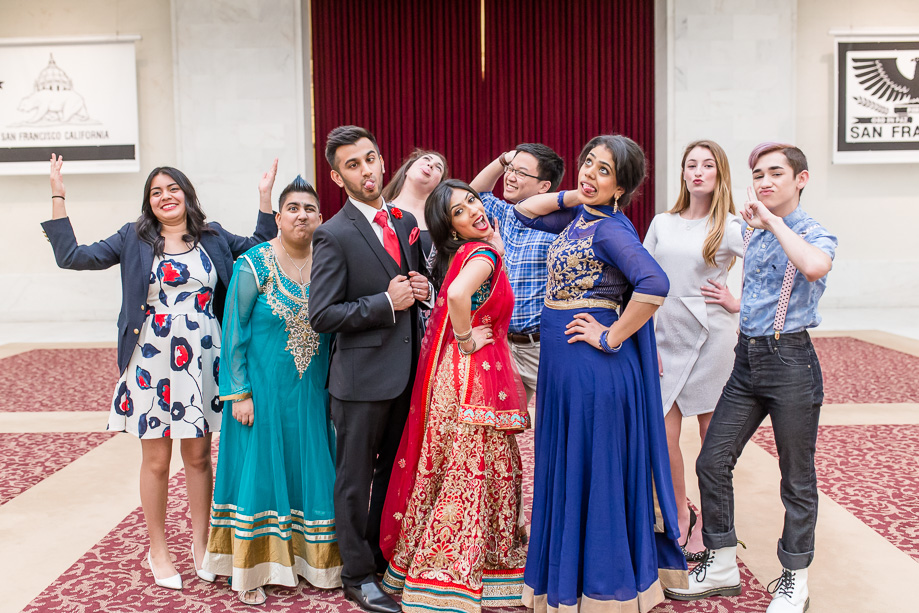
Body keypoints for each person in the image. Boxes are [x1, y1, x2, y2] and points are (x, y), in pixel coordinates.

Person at [40, 154, 277, 590]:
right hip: (152, 360)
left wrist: (265, 198)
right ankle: (158, 550)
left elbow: (262, 248)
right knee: (157, 460)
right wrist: (59, 196)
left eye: (172, 189)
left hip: (203, 359)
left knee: (199, 457)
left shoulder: (213, 236)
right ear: (148, 202)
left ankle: (202, 544)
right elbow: (73, 256)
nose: (165, 196)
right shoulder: (133, 238)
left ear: (187, 195)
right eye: (156, 192)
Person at [513, 134, 687, 612]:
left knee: (595, 473)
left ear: (621, 187)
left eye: (604, 170)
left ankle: (602, 588)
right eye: (588, 162)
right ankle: (571, 579)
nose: (589, 172)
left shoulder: (609, 229)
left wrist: (610, 336)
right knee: (571, 468)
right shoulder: (581, 217)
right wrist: (582, 191)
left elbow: (655, 283)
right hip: (566, 371)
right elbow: (523, 210)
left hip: (593, 373)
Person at [666, 143, 837, 613]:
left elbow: (813, 267)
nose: (764, 182)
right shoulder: (752, 231)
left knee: (796, 478)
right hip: (746, 359)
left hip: (791, 363)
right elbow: (757, 286)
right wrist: (736, 304)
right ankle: (721, 562)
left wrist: (773, 222)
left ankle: (794, 578)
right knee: (711, 461)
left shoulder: (812, 232)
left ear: (801, 179)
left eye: (776, 173)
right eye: (758, 174)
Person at [378, 179, 530, 613]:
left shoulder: (475, 250)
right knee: (473, 467)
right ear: (452, 229)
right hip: (472, 377)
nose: (473, 211)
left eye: (472, 201)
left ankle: (425, 563)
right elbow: (461, 295)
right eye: (459, 212)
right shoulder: (482, 254)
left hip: (455, 376)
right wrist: (467, 339)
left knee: (451, 466)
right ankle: (453, 571)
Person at [202, 175, 342, 605]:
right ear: (278, 218)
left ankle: (312, 564)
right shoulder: (255, 263)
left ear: (321, 218)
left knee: (311, 470)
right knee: (258, 475)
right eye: (293, 209)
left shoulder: (330, 262)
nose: (302, 215)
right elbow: (234, 328)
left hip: (312, 392)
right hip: (261, 396)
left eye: (309, 209)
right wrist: (239, 393)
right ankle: (250, 570)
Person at [309, 125, 433, 613]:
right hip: (359, 382)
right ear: (337, 177)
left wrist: (422, 289)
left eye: (370, 159)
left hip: (407, 372)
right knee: (354, 481)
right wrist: (384, 302)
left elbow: (416, 282)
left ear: (382, 160)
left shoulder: (405, 221)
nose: (366, 171)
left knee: (392, 473)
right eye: (352, 165)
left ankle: (381, 557)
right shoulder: (333, 234)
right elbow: (322, 315)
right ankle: (357, 576)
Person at [643, 139, 744, 560]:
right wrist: (643, 336)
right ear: (683, 173)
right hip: (666, 332)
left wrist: (737, 302)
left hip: (711, 336)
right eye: (691, 165)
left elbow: (774, 265)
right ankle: (681, 515)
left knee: (711, 440)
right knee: (664, 436)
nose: (698, 172)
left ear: (720, 174)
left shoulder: (732, 225)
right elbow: (642, 278)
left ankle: (715, 524)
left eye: (707, 165)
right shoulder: (662, 222)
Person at [469, 144, 564, 418]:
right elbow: (475, 194)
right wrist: (503, 160)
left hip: (543, 348)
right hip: (504, 345)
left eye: (521, 173)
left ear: (544, 186)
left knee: (554, 425)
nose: (510, 177)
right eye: (510, 170)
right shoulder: (505, 215)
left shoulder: (560, 226)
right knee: (499, 426)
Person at [381, 148, 449, 267]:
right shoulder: (380, 213)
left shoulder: (444, 220)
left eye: (438, 167)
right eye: (426, 159)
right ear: (407, 169)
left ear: (439, 185)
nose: (430, 165)